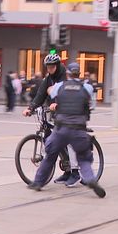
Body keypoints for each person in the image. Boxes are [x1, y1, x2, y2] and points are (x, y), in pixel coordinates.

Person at [27, 62, 106, 198]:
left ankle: (38, 182)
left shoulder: (59, 86)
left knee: (50, 154)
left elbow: (48, 90)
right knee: (84, 158)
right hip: (79, 129)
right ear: (79, 74)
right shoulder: (86, 87)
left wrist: (56, 103)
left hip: (61, 129)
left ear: (68, 74)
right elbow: (91, 105)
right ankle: (90, 179)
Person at [23, 54, 81, 186]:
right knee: (53, 141)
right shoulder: (48, 79)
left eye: (52, 66)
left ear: (58, 65)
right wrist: (30, 108)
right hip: (57, 114)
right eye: (48, 67)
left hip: (70, 112)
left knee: (69, 141)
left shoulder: (66, 77)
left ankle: (75, 172)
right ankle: (66, 171)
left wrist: (58, 103)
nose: (49, 69)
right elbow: (40, 95)